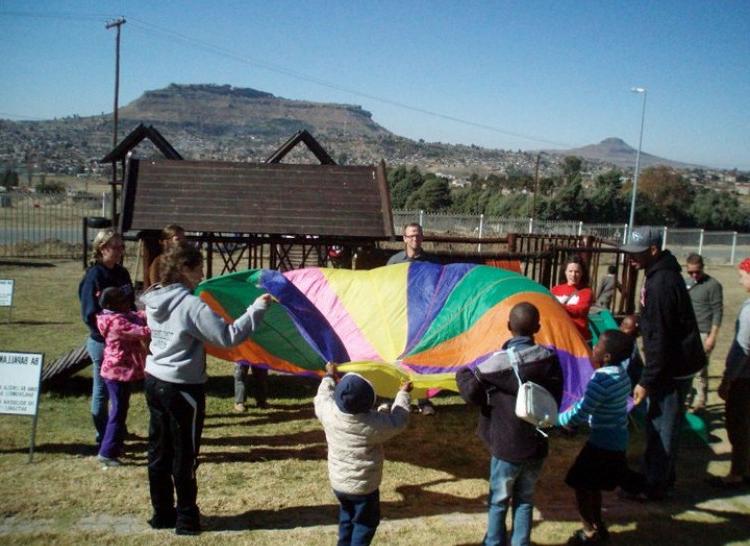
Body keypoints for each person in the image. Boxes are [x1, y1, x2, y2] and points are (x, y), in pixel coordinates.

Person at [140, 242, 273, 535]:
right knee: (184, 456)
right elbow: (228, 336)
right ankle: (186, 520)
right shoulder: (190, 305)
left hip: (154, 380)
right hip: (182, 388)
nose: (203, 273)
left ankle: (162, 513)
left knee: (159, 451)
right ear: (184, 269)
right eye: (199, 267)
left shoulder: (153, 298)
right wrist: (257, 309)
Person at [456, 302, 563, 546]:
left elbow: (472, 394)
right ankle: (520, 542)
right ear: (537, 327)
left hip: (506, 446)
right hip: (536, 443)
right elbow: (556, 395)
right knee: (525, 498)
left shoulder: (495, 365)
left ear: (508, 327)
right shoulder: (550, 360)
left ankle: (493, 541)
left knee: (499, 499)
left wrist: (462, 374)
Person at [621, 226, 706, 501]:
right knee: (663, 421)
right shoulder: (660, 274)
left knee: (662, 424)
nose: (631, 258)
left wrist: (646, 381)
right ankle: (659, 474)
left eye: (637, 253)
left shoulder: (661, 283)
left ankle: (655, 485)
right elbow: (658, 325)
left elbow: (661, 340)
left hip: (673, 368)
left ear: (654, 250)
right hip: (674, 363)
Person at [559, 330, 645, 544]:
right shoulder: (621, 374)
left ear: (606, 356)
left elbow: (584, 409)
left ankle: (588, 532)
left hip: (602, 444)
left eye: (597, 346)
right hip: (616, 439)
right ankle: (599, 526)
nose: (593, 348)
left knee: (578, 482)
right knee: (593, 485)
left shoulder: (601, 379)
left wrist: (560, 419)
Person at [314, 363, 412, 546]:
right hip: (364, 488)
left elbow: (322, 397)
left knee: (347, 517)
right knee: (365, 523)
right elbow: (399, 420)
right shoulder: (373, 424)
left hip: (339, 483)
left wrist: (328, 376)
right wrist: (403, 394)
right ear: (368, 402)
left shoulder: (328, 412)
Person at [79, 229, 135, 448]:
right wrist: (110, 333)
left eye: (122, 246)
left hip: (123, 342)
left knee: (121, 392)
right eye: (116, 246)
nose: (121, 251)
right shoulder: (94, 276)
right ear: (102, 248)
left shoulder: (122, 273)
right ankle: (103, 434)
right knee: (102, 391)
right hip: (103, 344)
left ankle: (116, 428)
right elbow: (89, 313)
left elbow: (129, 303)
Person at [95, 286, 150, 467]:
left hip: (118, 373)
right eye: (125, 301)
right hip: (116, 373)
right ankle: (106, 452)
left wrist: (151, 311)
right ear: (115, 305)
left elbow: (137, 316)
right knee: (117, 412)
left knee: (120, 409)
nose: (130, 304)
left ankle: (115, 446)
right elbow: (143, 331)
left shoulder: (111, 316)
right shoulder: (117, 323)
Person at [386, 222, 438, 415]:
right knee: (396, 358)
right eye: (411, 236)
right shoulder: (394, 262)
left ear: (422, 238)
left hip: (423, 318)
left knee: (422, 358)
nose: (415, 239)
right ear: (405, 238)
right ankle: (391, 397)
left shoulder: (432, 262)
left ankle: (424, 400)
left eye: (418, 236)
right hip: (399, 317)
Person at [713, 257, 750, 487]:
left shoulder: (748, 311)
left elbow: (743, 348)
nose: (740, 280)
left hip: (744, 378)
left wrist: (728, 379)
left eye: (744, 275)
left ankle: (737, 471)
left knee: (738, 425)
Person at [685, 253, 723, 411]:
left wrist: (712, 336)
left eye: (697, 272)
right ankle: (687, 398)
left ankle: (701, 400)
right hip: (688, 332)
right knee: (686, 367)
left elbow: (717, 311)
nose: (694, 275)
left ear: (702, 268)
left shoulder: (713, 285)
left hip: (704, 332)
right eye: (690, 272)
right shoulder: (687, 283)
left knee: (700, 369)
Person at [551, 255, 593, 342]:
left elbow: (579, 310)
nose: (573, 275)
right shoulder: (555, 289)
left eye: (577, 272)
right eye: (570, 271)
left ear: (582, 273)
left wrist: (557, 306)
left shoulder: (586, 292)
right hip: (559, 336)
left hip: (578, 338)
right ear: (565, 272)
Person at [619, 314, 644, 392]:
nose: (621, 328)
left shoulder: (639, 345)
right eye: (622, 324)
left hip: (636, 379)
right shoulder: (620, 342)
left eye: (626, 326)